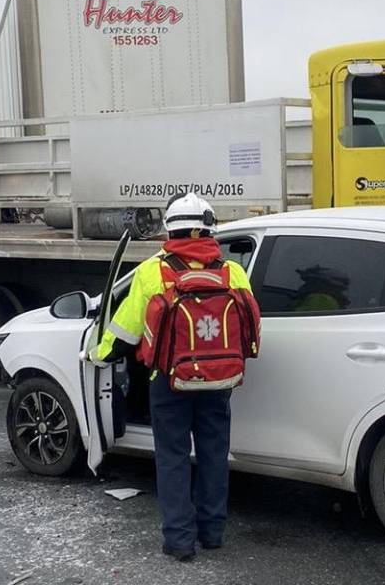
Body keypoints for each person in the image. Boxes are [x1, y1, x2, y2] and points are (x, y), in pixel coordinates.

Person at [91, 192, 259, 562]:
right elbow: (250, 325)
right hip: (219, 381)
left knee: (173, 457)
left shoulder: (154, 270)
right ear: (211, 229)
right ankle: (212, 533)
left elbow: (126, 331)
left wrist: (99, 354)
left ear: (171, 229)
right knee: (214, 454)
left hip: (170, 380)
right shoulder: (233, 272)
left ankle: (179, 541)